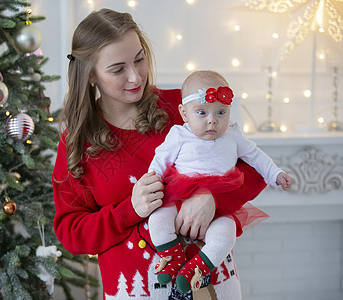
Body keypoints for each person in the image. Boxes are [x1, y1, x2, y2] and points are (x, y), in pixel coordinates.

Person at [52, 8, 267, 299]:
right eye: (118, 69)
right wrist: (130, 210)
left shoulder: (183, 107)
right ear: (90, 75)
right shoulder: (78, 141)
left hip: (209, 284)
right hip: (132, 289)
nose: (135, 76)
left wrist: (212, 198)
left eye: (139, 59)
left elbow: (254, 170)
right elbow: (72, 232)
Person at [148, 70, 293, 294]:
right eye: (202, 112)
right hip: (179, 197)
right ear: (184, 113)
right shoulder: (179, 134)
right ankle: (172, 255)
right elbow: (160, 160)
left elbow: (256, 156)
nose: (212, 120)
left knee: (226, 235)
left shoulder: (233, 135)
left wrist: (276, 173)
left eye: (221, 112)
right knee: (157, 220)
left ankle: (196, 268)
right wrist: (151, 181)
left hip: (220, 204)